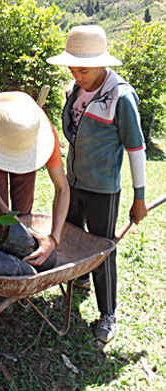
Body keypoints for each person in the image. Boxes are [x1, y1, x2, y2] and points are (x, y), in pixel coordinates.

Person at [47, 25, 148, 343]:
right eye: (73, 68)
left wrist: (139, 197)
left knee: (102, 249)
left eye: (84, 70)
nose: (77, 75)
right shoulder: (73, 91)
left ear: (103, 63)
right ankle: (79, 281)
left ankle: (108, 314)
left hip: (103, 189)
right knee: (72, 238)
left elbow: (136, 148)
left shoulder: (120, 96)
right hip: (72, 184)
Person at [0, 91, 69, 267]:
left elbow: (62, 188)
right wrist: (4, 211)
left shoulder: (41, 133)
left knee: (23, 215)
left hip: (26, 143)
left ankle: (23, 259)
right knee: (0, 217)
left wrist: (53, 239)